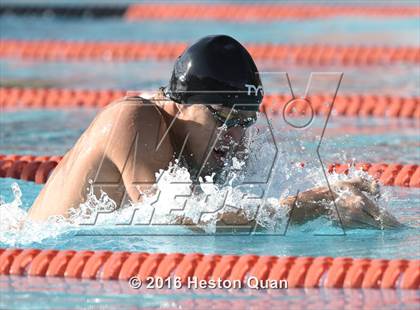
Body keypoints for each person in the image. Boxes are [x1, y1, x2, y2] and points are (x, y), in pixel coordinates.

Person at [28, 35, 400, 230]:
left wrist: (338, 196)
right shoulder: (133, 120)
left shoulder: (221, 143)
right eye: (221, 118)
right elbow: (171, 220)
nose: (235, 138)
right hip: (34, 268)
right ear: (178, 105)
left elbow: (249, 207)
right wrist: (307, 207)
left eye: (243, 122)